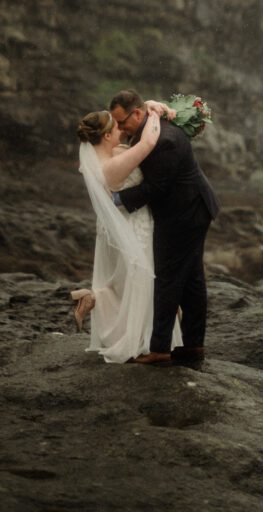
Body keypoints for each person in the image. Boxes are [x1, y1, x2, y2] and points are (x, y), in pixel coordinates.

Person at [109, 89, 219, 366]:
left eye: (122, 122)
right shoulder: (151, 123)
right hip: (191, 208)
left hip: (185, 213)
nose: (120, 128)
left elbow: (157, 187)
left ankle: (160, 349)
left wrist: (117, 199)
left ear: (137, 113)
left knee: (168, 278)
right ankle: (193, 347)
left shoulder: (164, 140)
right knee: (192, 280)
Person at [74, 102, 182, 363]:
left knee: (124, 279)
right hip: (132, 225)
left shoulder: (106, 156)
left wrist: (150, 105)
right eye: (117, 127)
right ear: (107, 135)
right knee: (138, 280)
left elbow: (131, 121)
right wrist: (154, 115)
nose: (122, 130)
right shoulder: (114, 164)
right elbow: (147, 144)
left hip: (114, 225)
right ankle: (139, 341)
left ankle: (93, 299)